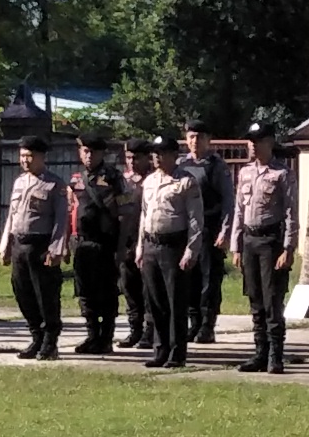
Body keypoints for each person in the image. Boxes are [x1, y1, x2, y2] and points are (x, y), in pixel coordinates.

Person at [230, 124, 300, 371]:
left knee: (272, 300)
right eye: (251, 141)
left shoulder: (282, 174)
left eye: (258, 141)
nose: (253, 145)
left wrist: (288, 248)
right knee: (255, 299)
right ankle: (259, 352)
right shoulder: (245, 172)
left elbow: (291, 212)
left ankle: (275, 355)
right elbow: (239, 210)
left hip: (271, 242)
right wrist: (235, 245)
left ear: (269, 142)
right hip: (250, 241)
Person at [132, 134, 205, 367]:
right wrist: (140, 248)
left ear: (174, 155)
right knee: (155, 302)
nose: (156, 157)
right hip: (151, 244)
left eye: (161, 153)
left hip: (174, 246)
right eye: (155, 153)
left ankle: (176, 353)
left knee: (175, 303)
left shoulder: (186, 181)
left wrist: (191, 250)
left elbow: (196, 220)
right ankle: (160, 349)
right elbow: (144, 215)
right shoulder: (149, 181)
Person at [0, 136, 69, 358]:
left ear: (41, 157)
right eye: (22, 156)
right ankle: (36, 335)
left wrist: (56, 249)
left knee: (45, 294)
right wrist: (5, 244)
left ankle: (50, 341)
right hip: (20, 244)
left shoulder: (54, 185)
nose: (25, 161)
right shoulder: (19, 182)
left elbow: (61, 220)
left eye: (30, 156)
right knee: (23, 292)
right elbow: (12, 215)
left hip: (42, 245)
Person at [68, 134, 127, 353]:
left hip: (105, 244)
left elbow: (125, 211)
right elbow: (72, 209)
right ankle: (92, 335)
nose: (88, 155)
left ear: (102, 153)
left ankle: (106, 337)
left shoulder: (114, 177)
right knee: (85, 292)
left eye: (93, 151)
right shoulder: (76, 179)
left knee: (107, 292)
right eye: (85, 151)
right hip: (83, 243)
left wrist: (122, 246)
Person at [185, 126, 234, 347]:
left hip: (209, 231)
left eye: (201, 137)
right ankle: (193, 323)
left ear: (209, 140)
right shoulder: (181, 165)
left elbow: (228, 202)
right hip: (186, 232)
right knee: (190, 280)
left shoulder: (216, 166)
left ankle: (207, 325)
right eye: (192, 137)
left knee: (209, 281)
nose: (196, 141)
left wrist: (225, 232)